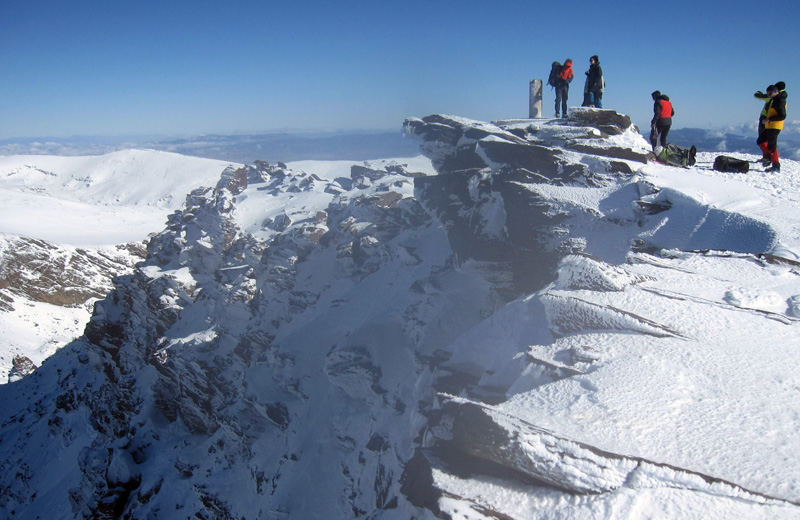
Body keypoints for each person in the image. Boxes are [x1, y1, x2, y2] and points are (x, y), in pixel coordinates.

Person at [755, 81, 787, 172]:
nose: (768, 95)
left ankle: (776, 165)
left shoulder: (779, 101)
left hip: (775, 125)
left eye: (770, 93)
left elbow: (782, 115)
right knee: (761, 141)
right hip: (770, 125)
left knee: (772, 145)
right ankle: (769, 157)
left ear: (776, 91)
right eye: (768, 93)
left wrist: (769, 120)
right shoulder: (775, 99)